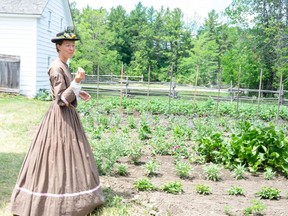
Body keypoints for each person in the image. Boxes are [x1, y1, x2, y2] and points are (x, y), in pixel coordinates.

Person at [10, 27, 104, 216]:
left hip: (68, 116)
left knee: (73, 153)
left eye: (73, 45)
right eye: (68, 45)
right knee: (58, 155)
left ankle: (76, 193)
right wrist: (76, 82)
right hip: (60, 118)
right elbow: (61, 99)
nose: (71, 48)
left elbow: (65, 92)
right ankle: (55, 200)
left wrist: (78, 90)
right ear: (58, 47)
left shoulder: (64, 65)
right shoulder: (56, 67)